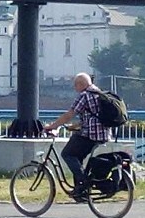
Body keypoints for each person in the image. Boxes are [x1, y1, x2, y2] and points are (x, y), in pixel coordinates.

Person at [43, 72, 111, 200]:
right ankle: (79, 192)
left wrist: (53, 126)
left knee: (67, 154)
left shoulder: (85, 95)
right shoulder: (98, 93)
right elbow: (91, 117)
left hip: (91, 135)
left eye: (75, 85)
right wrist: (73, 127)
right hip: (102, 134)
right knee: (77, 157)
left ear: (81, 84)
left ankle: (84, 183)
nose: (75, 88)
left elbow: (69, 114)